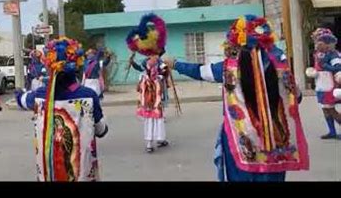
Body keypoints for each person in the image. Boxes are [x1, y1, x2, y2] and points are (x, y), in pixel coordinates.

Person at [165, 15, 309, 182]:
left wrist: (175, 64)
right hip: (276, 138)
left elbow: (201, 71)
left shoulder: (230, 67)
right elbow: (296, 98)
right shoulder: (279, 64)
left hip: (242, 136)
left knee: (242, 174)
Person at [15, 37, 108, 181]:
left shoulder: (39, 97)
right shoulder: (89, 96)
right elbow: (101, 130)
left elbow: (21, 100)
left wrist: (18, 92)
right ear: (77, 66)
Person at [305, 28, 341, 139]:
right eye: (316, 42)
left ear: (327, 44)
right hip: (321, 85)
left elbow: (338, 67)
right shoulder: (318, 54)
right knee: (325, 109)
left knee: (330, 109)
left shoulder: (334, 54)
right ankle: (332, 132)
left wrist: (325, 66)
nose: (316, 45)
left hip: (330, 85)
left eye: (319, 42)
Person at [136, 55, 169, 153]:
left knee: (151, 119)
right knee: (156, 119)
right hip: (153, 97)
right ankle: (156, 140)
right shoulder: (157, 63)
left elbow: (165, 72)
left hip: (149, 98)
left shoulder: (144, 75)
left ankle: (152, 142)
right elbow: (165, 72)